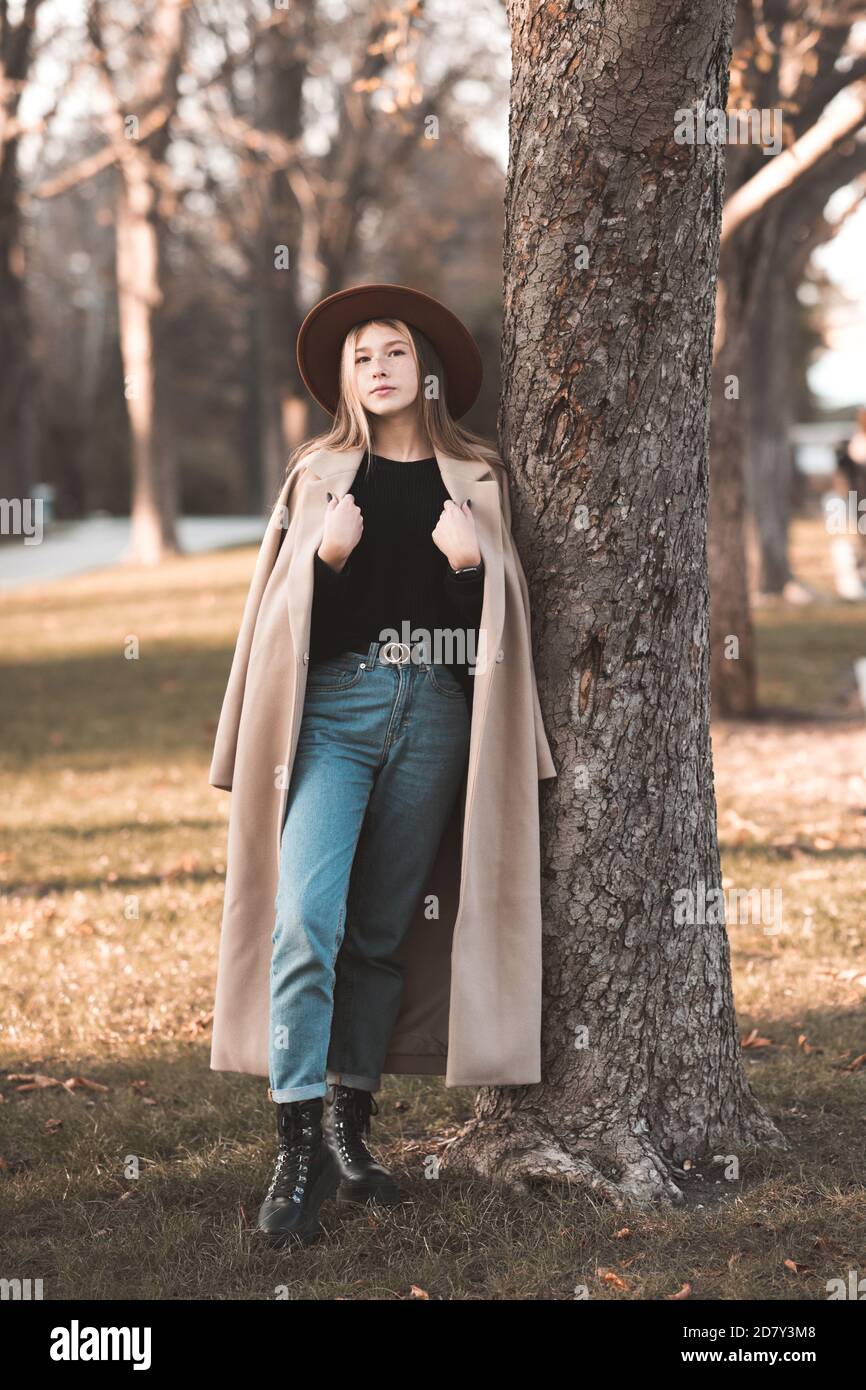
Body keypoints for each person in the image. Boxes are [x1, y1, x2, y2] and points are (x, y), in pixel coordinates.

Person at [207, 283, 556, 1250]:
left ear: (427, 369)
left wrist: (470, 566)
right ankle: (294, 1144)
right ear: (346, 382)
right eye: (361, 357)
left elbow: (504, 623)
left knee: (378, 935)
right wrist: (322, 561)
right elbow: (276, 624)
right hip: (336, 716)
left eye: (394, 350)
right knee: (304, 923)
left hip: (439, 717)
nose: (378, 367)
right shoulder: (319, 474)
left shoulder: (477, 476)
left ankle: (350, 1138)